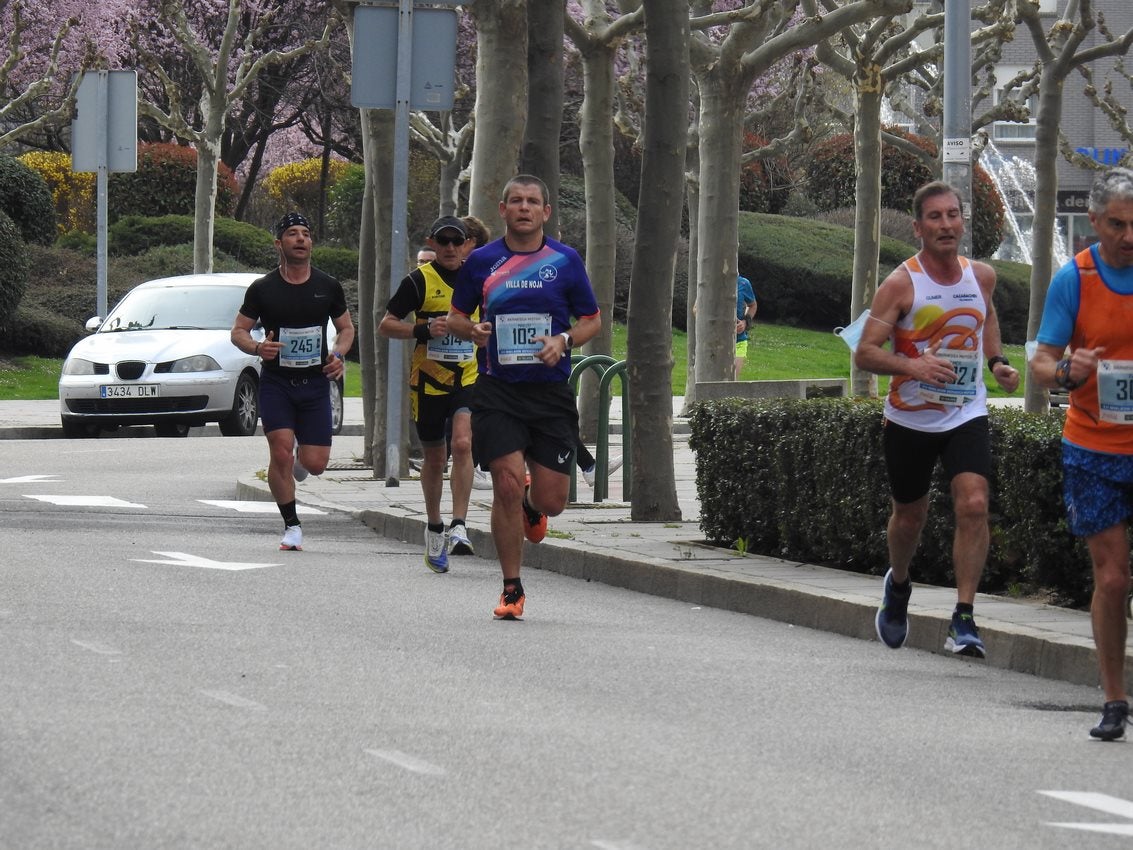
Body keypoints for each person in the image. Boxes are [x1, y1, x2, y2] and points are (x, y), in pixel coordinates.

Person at [854, 181, 1020, 658]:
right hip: (910, 419)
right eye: (935, 217)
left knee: (973, 502)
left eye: (953, 215)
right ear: (918, 227)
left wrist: (996, 363)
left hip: (966, 410)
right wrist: (912, 366)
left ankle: (963, 618)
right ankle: (899, 583)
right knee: (910, 517)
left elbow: (985, 317)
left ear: (962, 221)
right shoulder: (902, 284)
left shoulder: (981, 276)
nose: (946, 225)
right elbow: (865, 352)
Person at [447, 174, 601, 619]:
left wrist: (564, 341)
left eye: (533, 202)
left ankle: (535, 507)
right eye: (516, 201)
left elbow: (591, 319)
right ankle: (511, 589)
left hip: (549, 393)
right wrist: (471, 329)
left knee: (552, 500)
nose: (524, 208)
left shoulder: (565, 260)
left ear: (545, 212)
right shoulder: (482, 261)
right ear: (503, 209)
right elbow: (456, 317)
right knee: (507, 483)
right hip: (498, 391)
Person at [1030, 167, 1133, 740]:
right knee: (1113, 578)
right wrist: (1070, 370)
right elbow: (1039, 364)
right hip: (1094, 444)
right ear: (1094, 223)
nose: (1129, 236)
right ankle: (1114, 699)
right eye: (1116, 224)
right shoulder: (1075, 278)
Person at [231, 212, 355, 551]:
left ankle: (303, 457)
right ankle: (292, 525)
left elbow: (346, 329)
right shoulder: (264, 288)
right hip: (277, 384)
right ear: (279, 243)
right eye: (292, 234)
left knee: (314, 465)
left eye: (305, 233)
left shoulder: (327, 286)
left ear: (311, 242)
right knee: (280, 452)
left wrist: (339, 355)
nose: (300, 238)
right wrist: (258, 347)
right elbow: (238, 331)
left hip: (315, 384)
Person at [379, 216, 477, 572]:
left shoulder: (477, 278)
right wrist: (423, 328)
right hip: (429, 379)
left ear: (467, 243)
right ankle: (435, 524)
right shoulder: (419, 280)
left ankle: (460, 525)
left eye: (457, 241)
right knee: (436, 458)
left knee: (463, 443)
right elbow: (386, 324)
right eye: (444, 241)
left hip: (468, 374)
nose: (450, 248)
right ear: (432, 243)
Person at [734, 274, 758, 379]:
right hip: (714, 343)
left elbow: (752, 305)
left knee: (731, 382)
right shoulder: (711, 281)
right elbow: (695, 309)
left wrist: (745, 322)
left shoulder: (743, 283)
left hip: (738, 341)